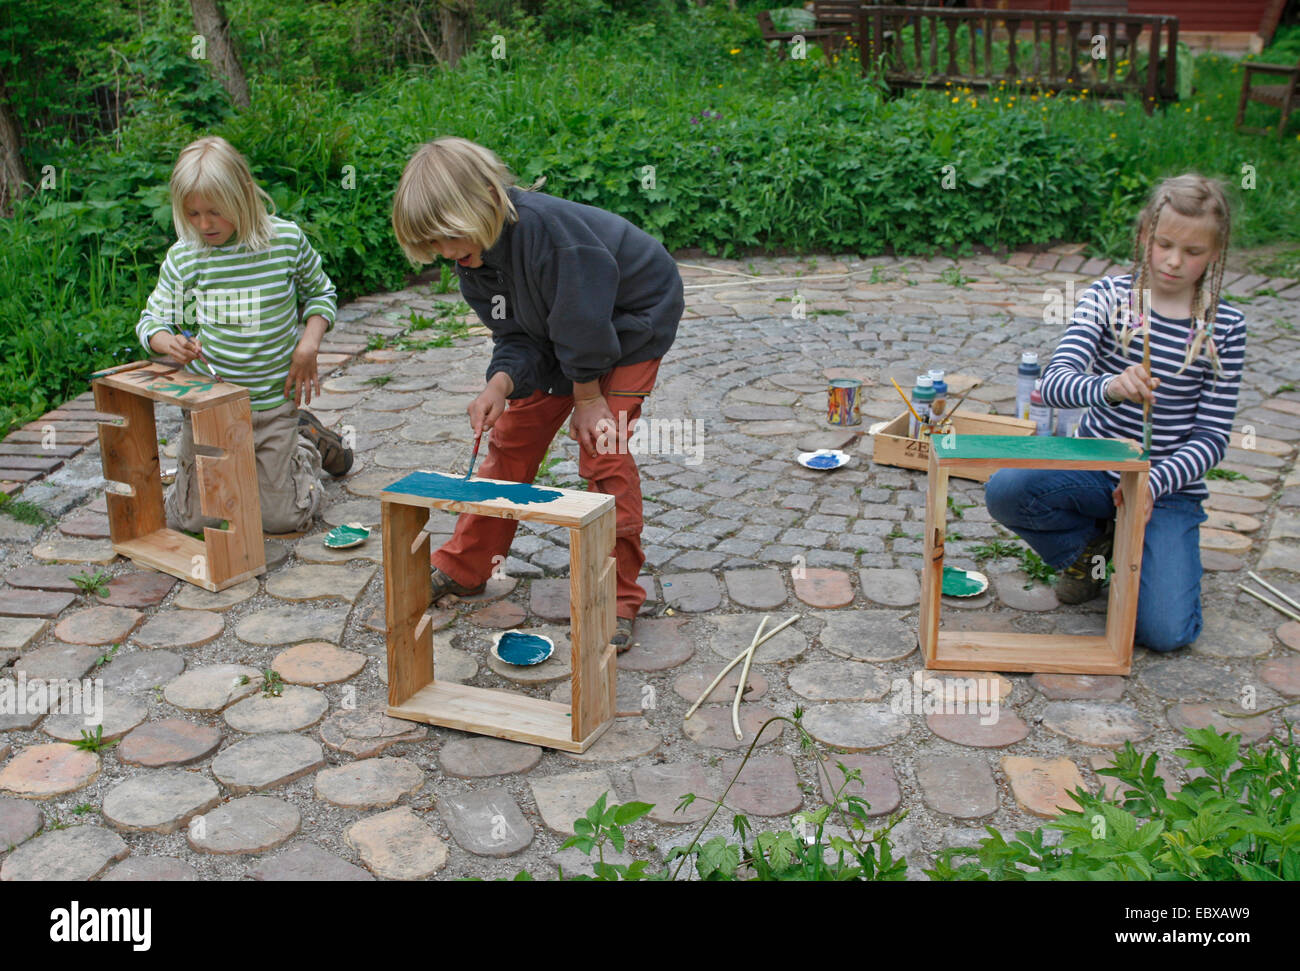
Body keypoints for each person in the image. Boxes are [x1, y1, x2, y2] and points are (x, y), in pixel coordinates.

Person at [391, 136, 683, 652]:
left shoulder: (554, 236)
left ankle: (618, 598)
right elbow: (518, 336)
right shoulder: (471, 262)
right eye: (434, 246)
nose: (449, 254)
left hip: (631, 322)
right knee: (511, 439)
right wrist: (498, 385)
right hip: (563, 335)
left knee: (603, 449)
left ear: (487, 197)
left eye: (451, 238)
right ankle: (466, 566)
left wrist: (589, 399)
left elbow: (583, 323)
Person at [984, 174, 1245, 652]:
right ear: (1146, 234)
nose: (1173, 261)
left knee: (1164, 634)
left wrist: (1154, 483)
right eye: (1165, 244)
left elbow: (1212, 437)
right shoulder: (1109, 298)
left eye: (1192, 252)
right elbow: (1053, 384)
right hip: (1095, 468)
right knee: (1007, 488)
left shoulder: (1225, 326)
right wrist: (1109, 386)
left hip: (1166, 490)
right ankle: (1092, 549)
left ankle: (1151, 554)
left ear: (1216, 251)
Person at [135, 135, 352, 536]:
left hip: (272, 403)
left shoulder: (284, 240)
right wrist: (168, 343)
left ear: (244, 195)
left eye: (215, 212)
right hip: (212, 409)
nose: (204, 224)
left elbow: (321, 292)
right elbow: (152, 322)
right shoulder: (187, 256)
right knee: (191, 522)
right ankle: (258, 467)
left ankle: (307, 444)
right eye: (193, 213)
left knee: (283, 519)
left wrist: (309, 343)